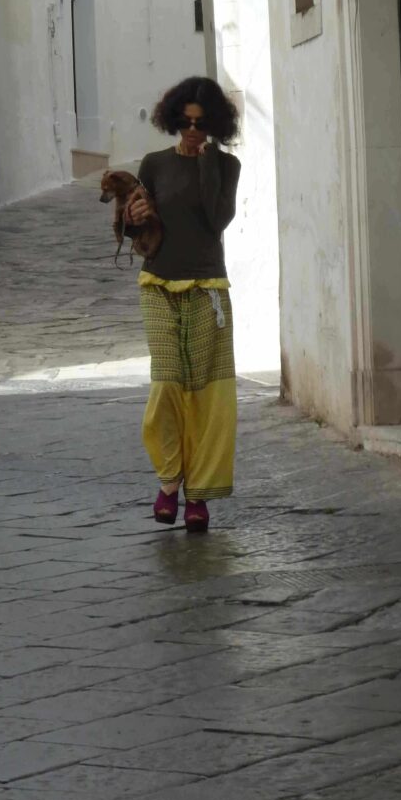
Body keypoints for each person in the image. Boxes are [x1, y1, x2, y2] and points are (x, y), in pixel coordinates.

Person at [124, 76, 241, 533]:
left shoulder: (226, 166)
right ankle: (169, 481)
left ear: (213, 126)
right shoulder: (153, 164)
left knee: (207, 395)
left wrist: (207, 163)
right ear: (175, 119)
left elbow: (217, 220)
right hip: (157, 284)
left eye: (202, 124)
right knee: (168, 382)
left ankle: (198, 497)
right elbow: (139, 231)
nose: (193, 131)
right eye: (186, 122)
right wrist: (134, 219)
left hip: (208, 288)